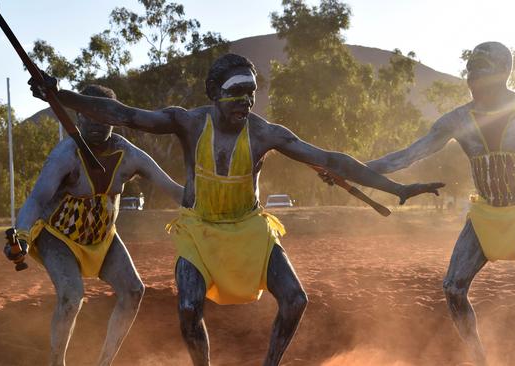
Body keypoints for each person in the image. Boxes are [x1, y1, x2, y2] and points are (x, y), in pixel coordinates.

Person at [28, 53, 444, 366]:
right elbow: (123, 114)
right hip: (201, 231)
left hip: (250, 229)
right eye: (234, 94)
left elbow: (334, 159)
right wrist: (58, 94)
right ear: (214, 95)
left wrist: (396, 187)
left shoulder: (265, 134)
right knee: (189, 309)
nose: (244, 102)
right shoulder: (189, 123)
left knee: (296, 300)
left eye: (250, 94)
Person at [365, 42, 515, 366]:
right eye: (471, 71)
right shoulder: (457, 120)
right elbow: (409, 154)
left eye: (482, 70)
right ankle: (479, 359)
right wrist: (354, 168)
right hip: (486, 215)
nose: (474, 77)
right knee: (453, 288)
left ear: (504, 73)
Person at [6, 84, 184, 366]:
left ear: (115, 119)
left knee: (134, 291)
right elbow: (38, 199)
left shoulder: (130, 155)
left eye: (104, 118)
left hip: (103, 238)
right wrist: (22, 236)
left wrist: (210, 191)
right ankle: (56, 363)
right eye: (90, 116)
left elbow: (175, 190)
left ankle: (105, 363)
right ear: (78, 118)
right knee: (72, 295)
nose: (97, 124)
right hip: (58, 237)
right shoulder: (65, 155)